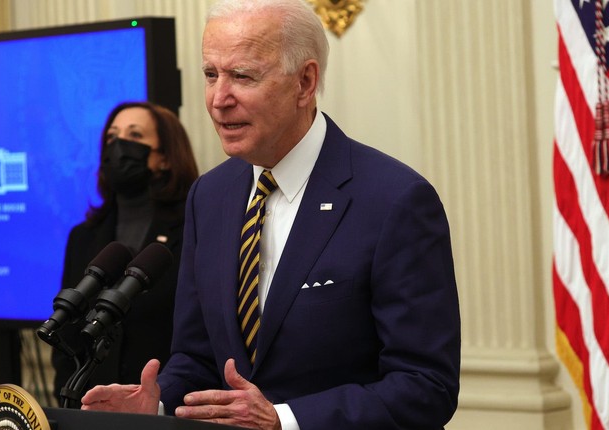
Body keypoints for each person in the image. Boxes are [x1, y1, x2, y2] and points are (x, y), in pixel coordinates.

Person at [81, 0, 461, 428]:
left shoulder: (395, 200)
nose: (219, 99)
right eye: (211, 75)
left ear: (304, 81)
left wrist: (284, 420)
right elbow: (197, 355)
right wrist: (158, 405)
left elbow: (427, 385)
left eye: (242, 76)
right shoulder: (209, 195)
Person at [51, 101, 199, 404]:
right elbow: (67, 337)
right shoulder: (83, 236)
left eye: (134, 136)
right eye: (111, 137)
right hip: (90, 410)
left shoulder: (195, 230)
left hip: (166, 410)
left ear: (165, 158)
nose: (119, 146)